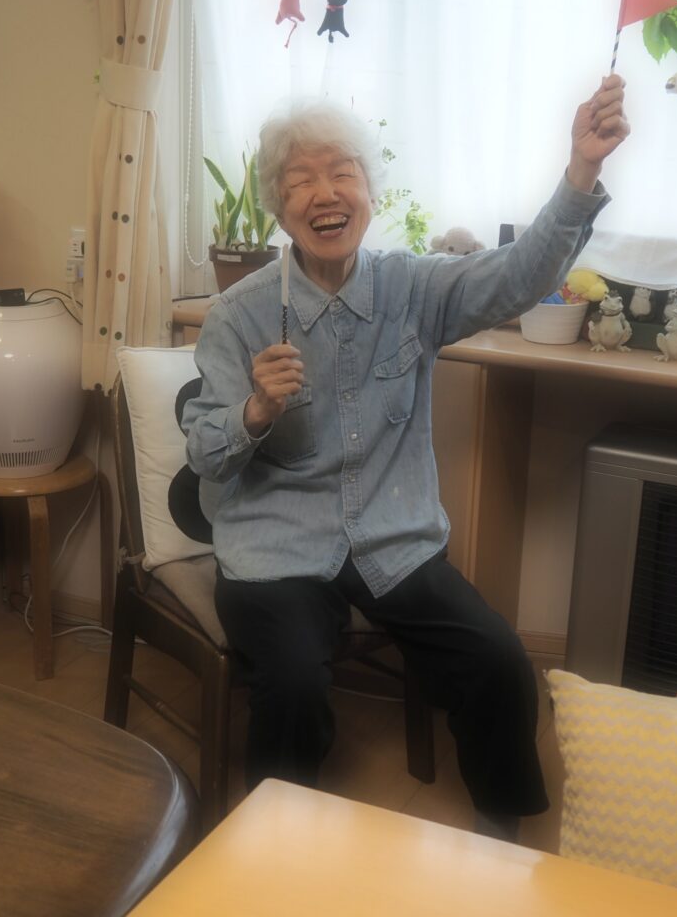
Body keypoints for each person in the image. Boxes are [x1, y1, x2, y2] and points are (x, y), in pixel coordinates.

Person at [183, 75, 629, 839]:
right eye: (301, 180)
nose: (326, 193)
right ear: (278, 207)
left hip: (393, 534)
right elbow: (205, 455)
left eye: (343, 173)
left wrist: (581, 169)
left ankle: (502, 834)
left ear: (370, 192)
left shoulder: (412, 286)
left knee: (498, 659)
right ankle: (270, 849)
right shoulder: (238, 314)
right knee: (291, 684)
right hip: (275, 546)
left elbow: (520, 276)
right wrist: (255, 410)